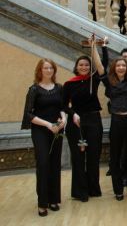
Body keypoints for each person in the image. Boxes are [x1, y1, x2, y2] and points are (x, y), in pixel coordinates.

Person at [92, 42, 127, 201]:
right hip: (117, 121)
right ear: (114, 68)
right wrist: (93, 47)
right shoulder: (109, 82)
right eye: (118, 65)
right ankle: (118, 190)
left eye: (123, 65)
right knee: (115, 156)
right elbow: (99, 66)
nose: (121, 67)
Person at [22, 59, 66, 217]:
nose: (48, 70)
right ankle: (42, 203)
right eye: (45, 68)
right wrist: (48, 124)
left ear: (54, 71)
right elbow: (28, 114)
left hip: (57, 130)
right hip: (40, 130)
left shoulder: (60, 88)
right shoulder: (34, 89)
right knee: (43, 164)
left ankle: (54, 200)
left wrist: (64, 119)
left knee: (55, 164)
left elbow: (62, 107)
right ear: (40, 70)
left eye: (51, 68)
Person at [63, 53, 104, 202]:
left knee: (94, 156)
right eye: (81, 65)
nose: (84, 67)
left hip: (94, 120)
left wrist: (97, 48)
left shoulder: (94, 80)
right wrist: (73, 114)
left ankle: (93, 188)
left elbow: (102, 65)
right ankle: (80, 191)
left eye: (87, 65)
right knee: (78, 158)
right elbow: (63, 105)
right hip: (76, 122)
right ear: (76, 67)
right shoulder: (69, 84)